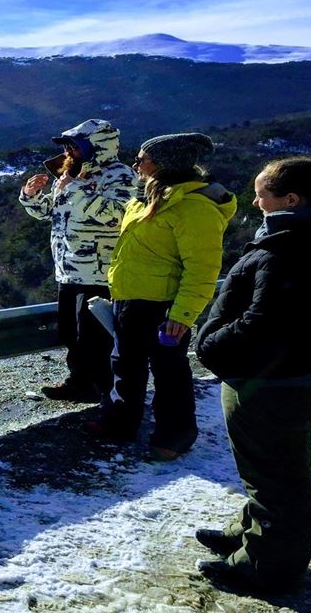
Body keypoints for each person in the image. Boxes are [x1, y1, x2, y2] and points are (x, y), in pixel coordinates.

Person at [193, 158, 311, 594]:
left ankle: (265, 567)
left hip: (275, 378)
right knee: (279, 466)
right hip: (306, 366)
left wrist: (210, 345)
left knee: (276, 476)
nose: (255, 201)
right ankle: (248, 537)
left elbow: (265, 321)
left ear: (291, 200)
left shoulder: (291, 248)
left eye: (263, 194)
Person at [88, 132, 236, 459]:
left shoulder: (195, 207)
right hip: (130, 298)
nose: (136, 164)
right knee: (126, 365)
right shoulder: (146, 197)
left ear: (163, 164)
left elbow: (202, 268)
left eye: (142, 159)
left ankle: (176, 433)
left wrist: (182, 316)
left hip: (164, 307)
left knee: (169, 372)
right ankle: (121, 423)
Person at [19, 119, 136, 403]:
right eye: (68, 145)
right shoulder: (72, 175)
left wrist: (75, 189)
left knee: (94, 339)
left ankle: (106, 392)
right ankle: (79, 383)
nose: (70, 151)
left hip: (99, 272)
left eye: (75, 145)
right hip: (68, 270)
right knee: (72, 334)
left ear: (97, 147)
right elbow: (52, 213)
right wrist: (31, 197)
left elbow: (117, 215)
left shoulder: (119, 175)